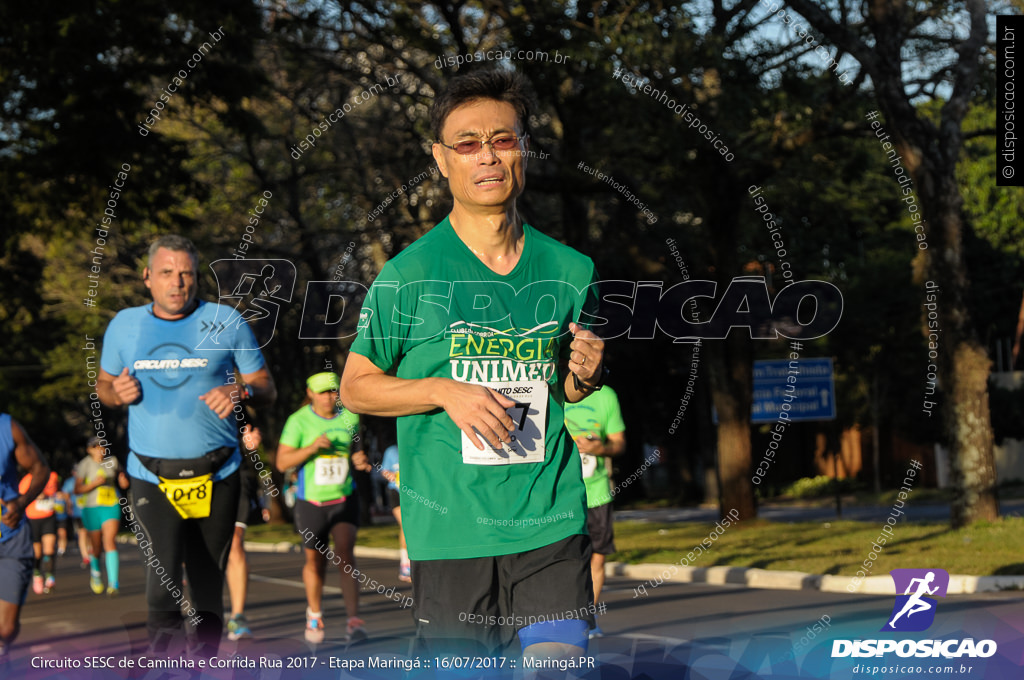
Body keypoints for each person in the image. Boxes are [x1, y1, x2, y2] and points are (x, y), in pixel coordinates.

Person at [339, 68, 608, 659]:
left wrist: (582, 377)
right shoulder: (408, 274)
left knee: (558, 670)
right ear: (442, 159)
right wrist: (443, 390)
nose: (486, 156)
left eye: (502, 139)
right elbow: (355, 388)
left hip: (549, 519)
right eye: (467, 143)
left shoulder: (572, 270)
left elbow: (561, 387)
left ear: (524, 150)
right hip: (451, 531)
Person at [96, 234, 276, 657]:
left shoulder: (226, 322)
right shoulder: (124, 324)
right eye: (166, 273)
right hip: (150, 477)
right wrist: (114, 392)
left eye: (186, 274)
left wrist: (239, 392)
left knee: (207, 585)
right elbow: (103, 385)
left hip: (219, 474)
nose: (177, 283)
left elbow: (265, 386)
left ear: (196, 277)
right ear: (147, 278)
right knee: (162, 589)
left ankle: (203, 665)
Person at [276, 371, 371, 644]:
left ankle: (354, 620)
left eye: (333, 391)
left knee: (346, 554)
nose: (329, 397)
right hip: (312, 502)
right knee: (315, 562)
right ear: (310, 394)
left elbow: (355, 451)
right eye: (323, 392)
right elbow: (282, 463)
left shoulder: (350, 416)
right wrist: (311, 448)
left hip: (344, 497)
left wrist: (360, 459)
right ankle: (315, 612)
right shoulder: (298, 421)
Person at [563, 385, 626, 638]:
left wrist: (598, 448)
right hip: (561, 493)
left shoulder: (607, 396)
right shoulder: (552, 385)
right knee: (564, 559)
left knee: (597, 557)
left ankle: (588, 617)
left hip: (597, 493)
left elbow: (619, 443)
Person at [0, 414, 51, 669]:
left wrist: (21, 502)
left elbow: (40, 468)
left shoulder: (7, 428)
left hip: (10, 535)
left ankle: (4, 648)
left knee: (6, 628)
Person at [73, 436, 129, 596]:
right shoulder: (84, 464)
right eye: (96, 447)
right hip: (91, 508)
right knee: (96, 547)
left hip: (110, 505)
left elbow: (123, 480)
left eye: (102, 447)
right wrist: (94, 484)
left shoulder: (113, 461)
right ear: (89, 450)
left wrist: (123, 481)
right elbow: (77, 490)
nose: (100, 450)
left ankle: (113, 583)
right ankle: (96, 571)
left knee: (109, 541)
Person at [225, 424, 263, 641]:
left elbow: (249, 429)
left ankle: (237, 616)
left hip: (237, 478)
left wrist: (251, 443)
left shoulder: (236, 397)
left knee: (236, 542)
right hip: (198, 476)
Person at [18, 469, 59, 594]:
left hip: (49, 516)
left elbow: (55, 491)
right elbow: (21, 497)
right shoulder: (26, 480)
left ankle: (50, 577)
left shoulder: (52, 476)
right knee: (37, 553)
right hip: (32, 518)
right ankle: (37, 576)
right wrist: (35, 495)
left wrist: (46, 493)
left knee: (49, 549)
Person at [378, 443, 410, 582]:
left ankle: (413, 561)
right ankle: (405, 565)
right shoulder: (391, 451)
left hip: (413, 493)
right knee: (406, 526)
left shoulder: (414, 446)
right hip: (395, 492)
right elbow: (383, 470)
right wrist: (391, 475)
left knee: (413, 527)